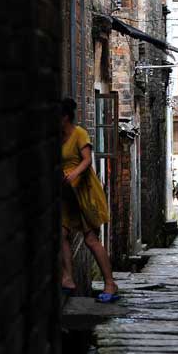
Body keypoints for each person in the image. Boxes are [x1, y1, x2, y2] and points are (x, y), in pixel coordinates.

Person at [61, 97, 119, 303]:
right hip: (67, 196)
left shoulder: (79, 134)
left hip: (85, 194)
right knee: (61, 234)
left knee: (91, 240)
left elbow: (87, 160)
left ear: (65, 117)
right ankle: (67, 277)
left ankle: (110, 283)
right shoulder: (58, 138)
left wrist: (73, 174)